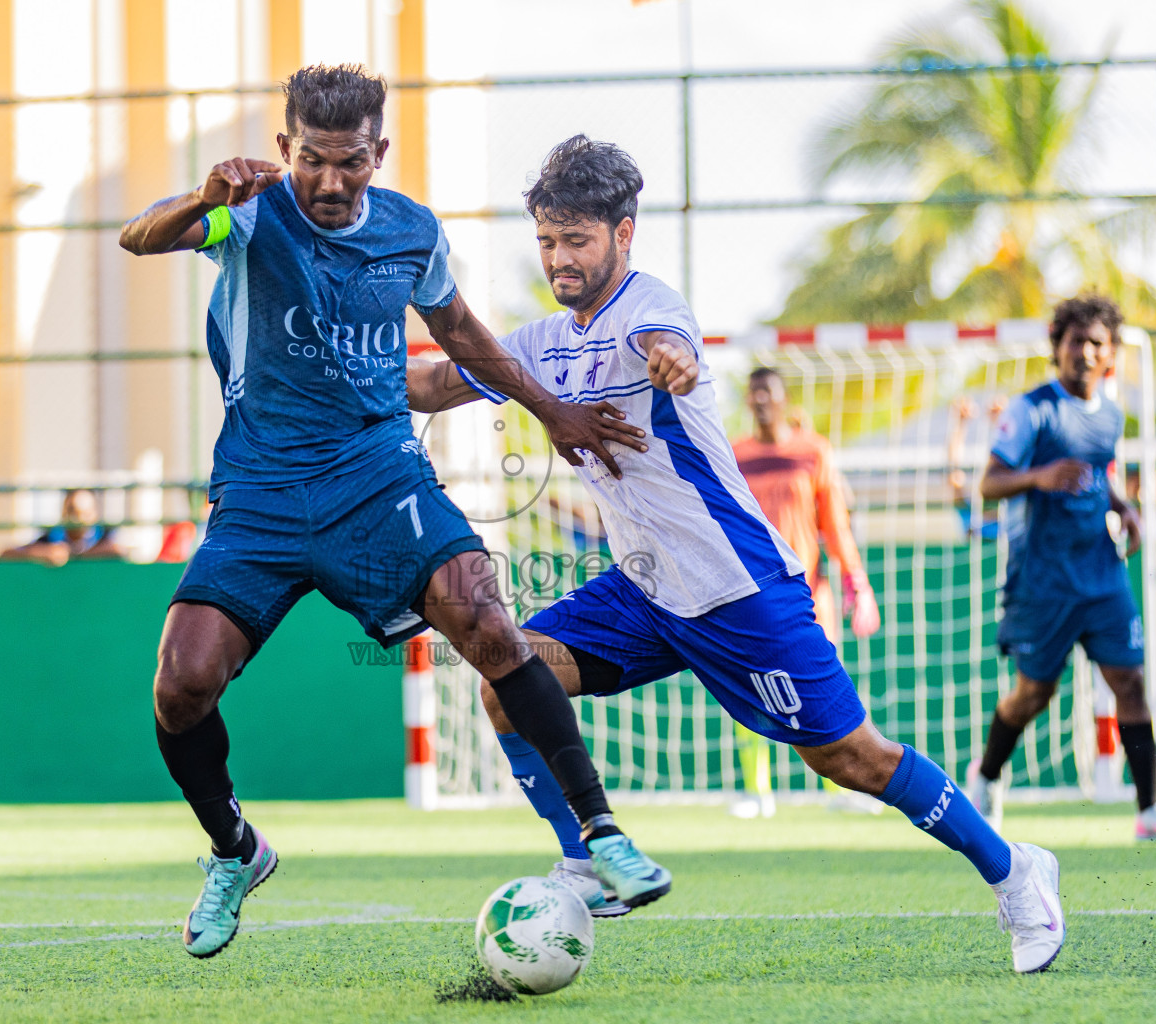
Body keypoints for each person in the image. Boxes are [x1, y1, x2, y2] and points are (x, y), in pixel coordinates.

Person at [407, 134, 1063, 973]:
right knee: (509, 674)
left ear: (624, 231)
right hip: (644, 591)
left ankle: (1015, 874)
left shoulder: (654, 306)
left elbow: (663, 343)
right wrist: (335, 372)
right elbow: (430, 385)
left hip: (737, 586)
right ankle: (586, 859)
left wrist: (673, 363)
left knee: (851, 757)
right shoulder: (538, 343)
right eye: (546, 241)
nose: (560, 259)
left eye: (577, 240)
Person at [117, 66, 669, 958]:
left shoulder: (412, 230)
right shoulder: (247, 213)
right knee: (181, 685)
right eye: (313, 162)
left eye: (350, 164)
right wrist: (199, 196)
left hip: (379, 480)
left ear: (379, 153)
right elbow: (139, 240)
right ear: (287, 148)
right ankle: (235, 852)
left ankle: (601, 835)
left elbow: (461, 335)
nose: (331, 183)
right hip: (258, 494)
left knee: (490, 625)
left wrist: (549, 407)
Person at [966, 294, 1156, 842]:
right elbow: (989, 483)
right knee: (1033, 695)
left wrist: (1124, 508)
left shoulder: (1111, 413)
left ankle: (1149, 810)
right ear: (1058, 347)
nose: (1085, 352)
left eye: (1097, 343)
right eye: (1075, 341)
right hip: (1043, 581)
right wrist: (1039, 477)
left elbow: (1094, 474)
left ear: (1111, 353)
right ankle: (987, 775)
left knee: (1130, 682)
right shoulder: (1031, 411)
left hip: (1101, 573)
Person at [729, 367, 882, 817]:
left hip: (810, 594)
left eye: (767, 394)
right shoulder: (734, 454)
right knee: (749, 688)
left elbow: (835, 525)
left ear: (783, 399)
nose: (760, 401)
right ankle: (758, 793)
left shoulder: (815, 452)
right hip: (751, 595)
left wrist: (858, 584)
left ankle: (842, 792)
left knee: (825, 689)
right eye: (753, 394)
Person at [0, 488, 124, 566]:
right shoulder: (51, 538)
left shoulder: (104, 536)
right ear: (64, 513)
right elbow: (6, 553)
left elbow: (118, 550)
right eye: (73, 511)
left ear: (95, 515)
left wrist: (75, 557)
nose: (78, 519)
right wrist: (44, 553)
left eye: (85, 513)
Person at [948, 395, 1004, 541]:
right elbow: (954, 471)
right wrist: (960, 423)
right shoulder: (971, 517)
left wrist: (1001, 422)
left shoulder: (1013, 516)